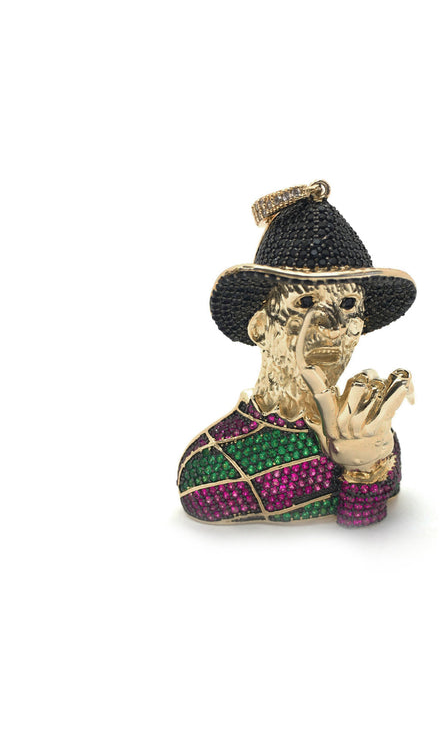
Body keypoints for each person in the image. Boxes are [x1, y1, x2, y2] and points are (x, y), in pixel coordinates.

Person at [177, 183, 416, 527]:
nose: (332, 326)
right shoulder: (212, 465)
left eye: (348, 304)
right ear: (260, 326)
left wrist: (364, 471)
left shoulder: (371, 437)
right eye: (305, 303)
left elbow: (368, 537)